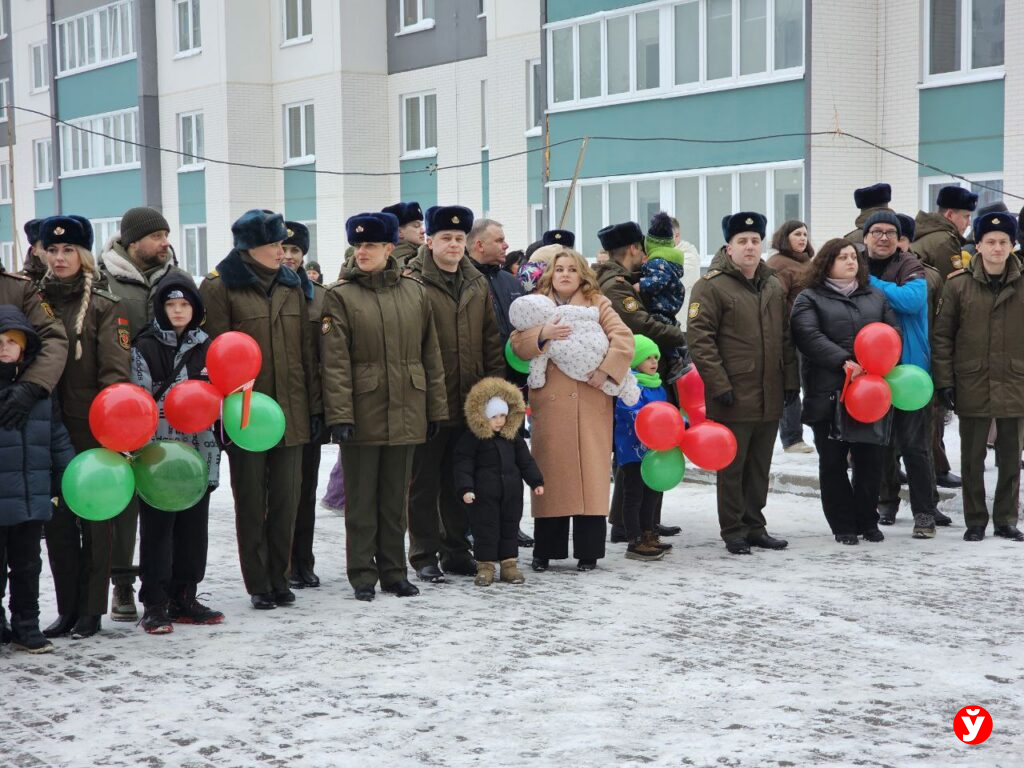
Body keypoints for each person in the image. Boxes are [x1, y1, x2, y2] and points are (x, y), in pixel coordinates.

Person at [321, 212, 447, 601]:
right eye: (358, 246)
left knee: (395, 500)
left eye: (371, 245)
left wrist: (436, 410)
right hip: (363, 411)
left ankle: (394, 572)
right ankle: (362, 574)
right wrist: (340, 415)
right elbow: (335, 362)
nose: (363, 252)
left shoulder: (414, 292)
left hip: (408, 407)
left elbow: (431, 354)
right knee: (361, 502)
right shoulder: (339, 296)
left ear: (389, 248)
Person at [200, 209, 322, 610]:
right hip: (246, 413)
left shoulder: (293, 284)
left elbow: (307, 352)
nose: (282, 252)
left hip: (291, 410)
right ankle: (258, 582)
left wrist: (314, 407)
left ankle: (280, 577)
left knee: (287, 499)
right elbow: (213, 353)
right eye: (274, 245)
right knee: (252, 500)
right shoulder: (220, 287)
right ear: (250, 248)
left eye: (284, 245)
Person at [511, 249, 633, 571]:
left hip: (591, 398)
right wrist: (542, 334)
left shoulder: (598, 303)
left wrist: (606, 370)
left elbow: (623, 338)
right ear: (551, 274)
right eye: (559, 269)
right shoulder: (537, 304)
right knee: (551, 475)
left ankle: (589, 551)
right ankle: (545, 551)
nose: (565, 274)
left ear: (582, 275)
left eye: (572, 269)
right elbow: (517, 343)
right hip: (551, 403)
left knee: (590, 475)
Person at [38, 215, 130, 640]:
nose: (59, 258)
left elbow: (115, 375)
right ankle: (68, 609)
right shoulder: (34, 301)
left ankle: (92, 609)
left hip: (90, 430)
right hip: (43, 430)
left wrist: (111, 433)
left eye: (68, 250)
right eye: (52, 250)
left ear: (84, 255)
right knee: (57, 525)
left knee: (95, 524)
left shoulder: (105, 307)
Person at [99, 206, 192, 623]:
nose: (164, 243)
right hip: (119, 402)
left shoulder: (178, 279)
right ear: (133, 241)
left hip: (171, 403)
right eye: (156, 236)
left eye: (166, 235)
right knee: (123, 498)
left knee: (163, 489)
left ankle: (171, 584)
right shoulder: (105, 279)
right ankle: (121, 583)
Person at [686, 212, 798, 555]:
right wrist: (719, 384)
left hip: (769, 390)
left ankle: (755, 525)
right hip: (733, 392)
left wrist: (791, 381)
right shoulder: (711, 286)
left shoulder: (773, 284)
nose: (750, 247)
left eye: (754, 241)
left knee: (759, 465)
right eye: (742, 241)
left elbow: (785, 337)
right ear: (729, 247)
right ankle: (733, 528)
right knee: (732, 466)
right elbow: (699, 339)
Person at [404, 206, 504, 583]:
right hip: (428, 399)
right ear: (430, 241)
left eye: (460, 238)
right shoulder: (412, 281)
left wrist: (493, 394)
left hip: (468, 399)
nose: (453, 245)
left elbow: (490, 339)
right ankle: (424, 554)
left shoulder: (476, 281)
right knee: (424, 483)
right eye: (446, 237)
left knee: (461, 480)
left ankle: (456, 550)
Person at [790, 239, 901, 544]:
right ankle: (843, 524)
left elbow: (893, 334)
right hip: (829, 393)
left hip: (871, 395)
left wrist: (878, 361)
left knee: (871, 461)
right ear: (827, 263)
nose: (851, 262)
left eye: (854, 257)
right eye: (843, 257)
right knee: (833, 463)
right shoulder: (809, 298)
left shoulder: (875, 296)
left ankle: (868, 520)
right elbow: (808, 336)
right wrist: (845, 361)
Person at [130, 274, 223, 634]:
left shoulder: (209, 345)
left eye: (184, 304)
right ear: (161, 308)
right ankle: (154, 601)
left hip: (199, 449)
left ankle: (184, 594)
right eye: (171, 304)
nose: (178, 311)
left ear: (196, 309)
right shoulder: (145, 345)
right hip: (159, 451)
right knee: (157, 530)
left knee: (193, 529)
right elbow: (139, 399)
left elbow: (220, 394)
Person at [933, 211, 1024, 543]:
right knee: (972, 458)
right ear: (979, 245)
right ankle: (975, 520)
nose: (997, 248)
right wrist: (944, 381)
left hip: (1015, 380)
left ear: (1013, 245)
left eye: (1003, 242)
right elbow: (943, 336)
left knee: (1011, 457)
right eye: (990, 242)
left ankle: (1005, 519)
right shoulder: (958, 285)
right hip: (972, 380)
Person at [595, 221, 687, 542]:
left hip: (647, 375)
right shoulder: (615, 286)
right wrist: (681, 335)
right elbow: (641, 323)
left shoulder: (626, 281)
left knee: (653, 445)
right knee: (632, 453)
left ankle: (647, 519)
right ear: (634, 248)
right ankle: (625, 524)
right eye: (643, 248)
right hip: (631, 379)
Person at [0, 306, 75, 653]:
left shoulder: (38, 391)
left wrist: (67, 475)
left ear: (24, 347)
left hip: (32, 500)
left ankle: (26, 624)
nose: (4, 348)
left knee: (28, 566)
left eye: (11, 342)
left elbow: (57, 435)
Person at [861, 211, 939, 537]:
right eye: (876, 231)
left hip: (908, 372)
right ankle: (885, 503)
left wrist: (870, 284)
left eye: (890, 232)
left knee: (915, 446)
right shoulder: (853, 263)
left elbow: (912, 299)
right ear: (864, 237)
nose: (883, 237)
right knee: (878, 444)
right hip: (869, 372)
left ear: (899, 238)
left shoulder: (909, 264)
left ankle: (924, 512)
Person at [453, 377, 544, 586]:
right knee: (486, 529)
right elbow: (463, 464)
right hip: (484, 496)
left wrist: (536, 481)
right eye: (494, 416)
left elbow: (525, 461)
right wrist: (466, 488)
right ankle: (485, 566)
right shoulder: (473, 439)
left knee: (509, 528)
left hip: (511, 494)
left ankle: (509, 565)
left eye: (503, 415)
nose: (500, 421)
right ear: (484, 416)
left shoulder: (513, 438)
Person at [898, 212, 959, 494]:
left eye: (899, 237)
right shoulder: (865, 274)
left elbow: (941, 323)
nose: (891, 242)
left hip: (921, 364)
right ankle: (887, 500)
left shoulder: (930, 277)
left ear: (908, 240)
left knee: (923, 437)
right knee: (888, 443)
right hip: (881, 366)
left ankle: (928, 500)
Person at [280, 222, 327, 590]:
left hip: (310, 403)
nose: (291, 256)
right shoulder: (270, 291)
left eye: (297, 251)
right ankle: (278, 564)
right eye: (285, 249)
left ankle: (303, 562)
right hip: (273, 405)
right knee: (279, 493)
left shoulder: (319, 297)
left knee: (306, 490)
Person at [613, 335, 672, 562]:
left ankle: (649, 533)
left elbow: (666, 412)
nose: (653, 361)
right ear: (635, 359)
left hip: (655, 452)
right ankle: (634, 540)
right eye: (647, 357)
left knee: (652, 494)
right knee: (634, 494)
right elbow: (629, 413)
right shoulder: (630, 385)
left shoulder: (657, 385)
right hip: (633, 450)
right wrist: (651, 424)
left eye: (655, 357)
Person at [768, 220, 815, 455]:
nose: (802, 238)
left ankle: (815, 431)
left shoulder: (807, 263)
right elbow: (776, 301)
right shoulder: (778, 264)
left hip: (812, 332)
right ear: (785, 237)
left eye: (805, 234)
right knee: (791, 383)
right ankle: (792, 437)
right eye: (797, 234)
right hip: (790, 333)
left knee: (813, 383)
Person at [639, 212, 687, 365]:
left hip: (661, 306)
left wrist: (640, 284)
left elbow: (658, 280)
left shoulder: (657, 261)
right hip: (668, 305)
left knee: (665, 339)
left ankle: (676, 362)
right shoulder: (670, 261)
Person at [913, 186, 978, 279]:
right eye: (966, 217)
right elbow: (953, 285)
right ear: (950, 215)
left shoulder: (927, 231)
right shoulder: (946, 241)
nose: (968, 223)